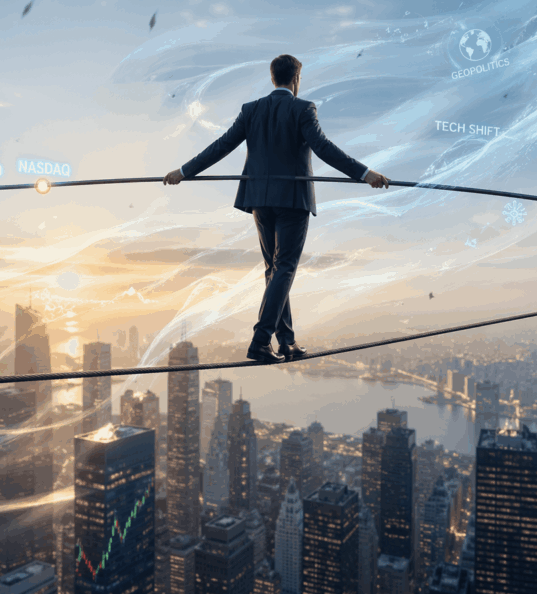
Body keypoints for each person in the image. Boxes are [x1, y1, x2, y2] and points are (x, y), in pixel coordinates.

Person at [164, 54, 390, 363]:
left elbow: (221, 146)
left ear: (273, 79)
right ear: (296, 80)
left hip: (259, 200)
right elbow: (323, 148)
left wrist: (184, 172)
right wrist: (366, 174)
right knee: (284, 267)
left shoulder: (252, 110)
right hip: (292, 201)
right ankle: (260, 341)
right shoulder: (303, 109)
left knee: (274, 270)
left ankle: (286, 341)